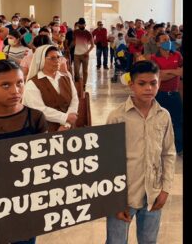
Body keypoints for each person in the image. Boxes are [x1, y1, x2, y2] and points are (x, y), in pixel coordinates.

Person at [105, 60, 176, 243]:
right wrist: (114, 200)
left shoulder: (163, 115)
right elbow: (108, 161)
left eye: (153, 83)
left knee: (148, 241)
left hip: (153, 194)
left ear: (159, 83)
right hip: (125, 196)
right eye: (142, 83)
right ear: (131, 85)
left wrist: (165, 189)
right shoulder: (117, 116)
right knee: (116, 241)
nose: (148, 88)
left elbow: (168, 153)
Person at [0, 59, 48, 244]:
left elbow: (46, 161)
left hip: (25, 203)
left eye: (20, 83)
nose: (15, 90)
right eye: (5, 85)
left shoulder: (35, 118)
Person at [23, 45, 78, 132]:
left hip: (69, 128)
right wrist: (65, 118)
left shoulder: (66, 78)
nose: (57, 61)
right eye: (52, 58)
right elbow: (39, 109)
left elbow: (74, 100)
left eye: (58, 57)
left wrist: (66, 124)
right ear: (41, 61)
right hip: (46, 131)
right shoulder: (32, 84)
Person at [152, 34, 183, 155]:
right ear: (158, 44)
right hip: (160, 94)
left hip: (174, 94)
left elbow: (182, 71)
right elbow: (158, 76)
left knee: (177, 121)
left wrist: (166, 72)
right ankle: (159, 148)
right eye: (164, 40)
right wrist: (176, 72)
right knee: (159, 122)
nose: (168, 42)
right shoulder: (154, 58)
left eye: (169, 40)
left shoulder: (177, 55)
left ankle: (178, 147)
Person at [72, 17, 94, 88]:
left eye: (82, 24)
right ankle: (77, 85)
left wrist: (87, 52)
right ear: (78, 25)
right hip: (76, 55)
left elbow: (92, 45)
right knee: (76, 71)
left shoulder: (88, 33)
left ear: (85, 25)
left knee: (85, 71)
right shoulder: (75, 32)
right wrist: (68, 48)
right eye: (80, 24)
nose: (81, 25)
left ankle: (84, 84)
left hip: (85, 55)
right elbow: (74, 42)